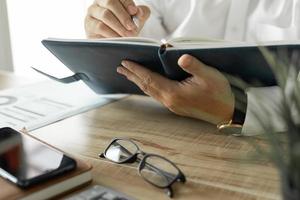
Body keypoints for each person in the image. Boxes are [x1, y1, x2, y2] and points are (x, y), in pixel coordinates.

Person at [85, 0, 299, 135]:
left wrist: (238, 110)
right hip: (163, 132)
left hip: (277, 153)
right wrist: (110, 30)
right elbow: (144, 32)